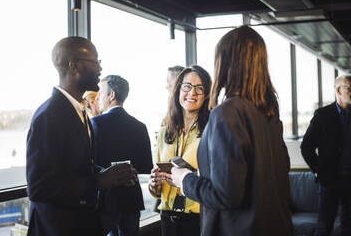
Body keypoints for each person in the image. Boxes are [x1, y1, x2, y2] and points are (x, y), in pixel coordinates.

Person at [171, 25, 294, 236]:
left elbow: (225, 196)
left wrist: (184, 179)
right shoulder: (269, 111)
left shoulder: (227, 113)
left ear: (226, 62)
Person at [26, 36, 136, 236]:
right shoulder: (48, 115)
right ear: (74, 66)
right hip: (57, 229)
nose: (100, 69)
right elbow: (39, 188)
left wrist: (110, 173)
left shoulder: (80, 111)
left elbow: (76, 166)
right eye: (95, 62)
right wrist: (99, 181)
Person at [301, 75, 351, 236]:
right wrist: (318, 170)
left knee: (348, 228)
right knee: (324, 228)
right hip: (329, 182)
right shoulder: (322, 115)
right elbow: (306, 147)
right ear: (338, 90)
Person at [149, 66, 212, 236]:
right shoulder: (164, 132)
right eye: (187, 86)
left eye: (200, 88)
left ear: (207, 95)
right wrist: (154, 184)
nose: (192, 93)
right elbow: (157, 191)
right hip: (168, 218)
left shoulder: (212, 130)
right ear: (178, 90)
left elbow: (218, 179)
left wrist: (189, 176)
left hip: (200, 218)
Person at [91, 75, 153, 236]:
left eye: (101, 92)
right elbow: (146, 165)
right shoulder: (140, 126)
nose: (97, 97)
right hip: (131, 198)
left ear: (111, 95)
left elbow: (89, 162)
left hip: (105, 200)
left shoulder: (95, 124)